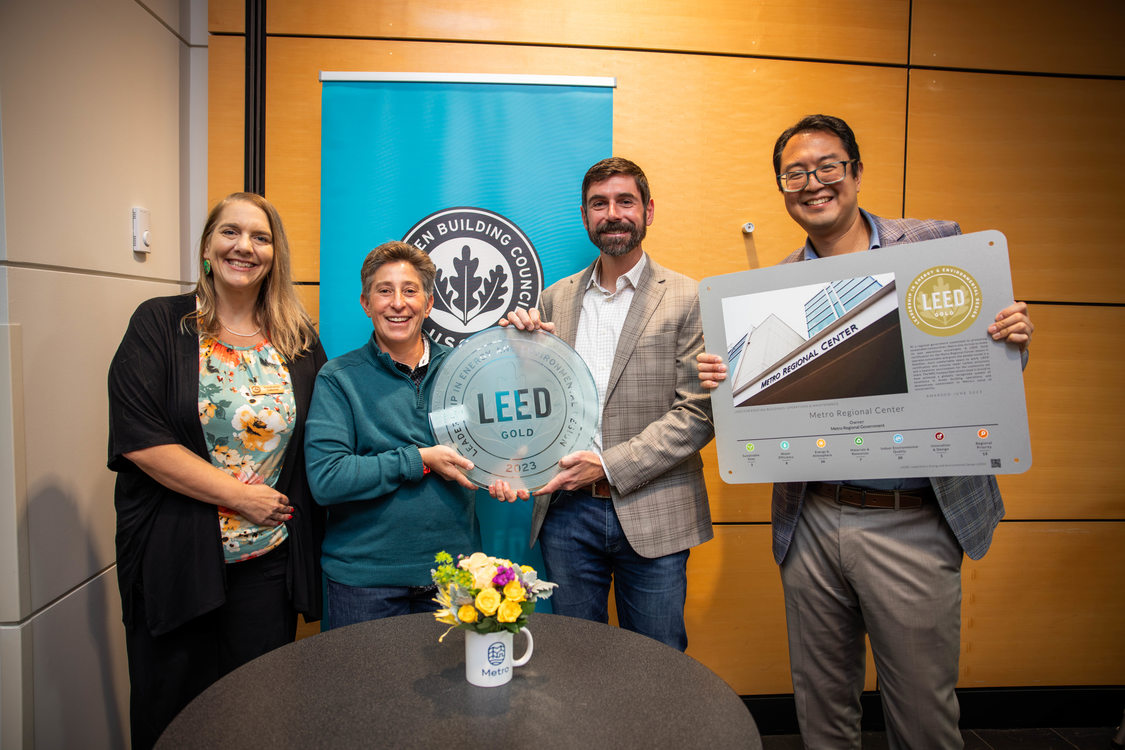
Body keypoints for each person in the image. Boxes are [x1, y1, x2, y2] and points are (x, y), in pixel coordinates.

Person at [697, 114, 1034, 748]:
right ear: (781, 187)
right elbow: (760, 410)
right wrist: (726, 379)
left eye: (828, 166)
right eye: (794, 173)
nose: (813, 183)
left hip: (915, 517)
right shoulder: (776, 290)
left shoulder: (936, 246)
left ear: (855, 171)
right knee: (821, 711)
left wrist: (1012, 338)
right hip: (812, 520)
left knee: (922, 717)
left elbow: (983, 363)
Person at [107, 192, 326, 749]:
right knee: (174, 719)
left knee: (259, 718)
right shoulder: (161, 324)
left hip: (267, 567)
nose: (244, 247)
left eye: (260, 237)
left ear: (274, 255)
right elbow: (141, 440)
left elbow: (326, 437)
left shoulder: (298, 341)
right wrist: (241, 496)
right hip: (176, 558)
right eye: (230, 232)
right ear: (208, 246)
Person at [498, 157, 714, 652]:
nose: (612, 213)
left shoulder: (688, 297)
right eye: (600, 204)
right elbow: (541, 403)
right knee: (577, 658)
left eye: (625, 201)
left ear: (649, 211)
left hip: (655, 509)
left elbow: (697, 414)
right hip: (567, 514)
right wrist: (518, 358)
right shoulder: (555, 300)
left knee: (657, 658)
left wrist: (605, 466)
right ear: (584, 216)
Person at [304, 240, 480, 629]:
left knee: (455, 692)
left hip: (452, 575)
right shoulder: (338, 379)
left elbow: (493, 447)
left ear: (429, 303)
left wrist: (507, 471)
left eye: (410, 290)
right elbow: (327, 479)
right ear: (366, 304)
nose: (398, 303)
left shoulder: (466, 371)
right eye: (384, 291)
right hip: (365, 582)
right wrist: (419, 460)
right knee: (366, 692)